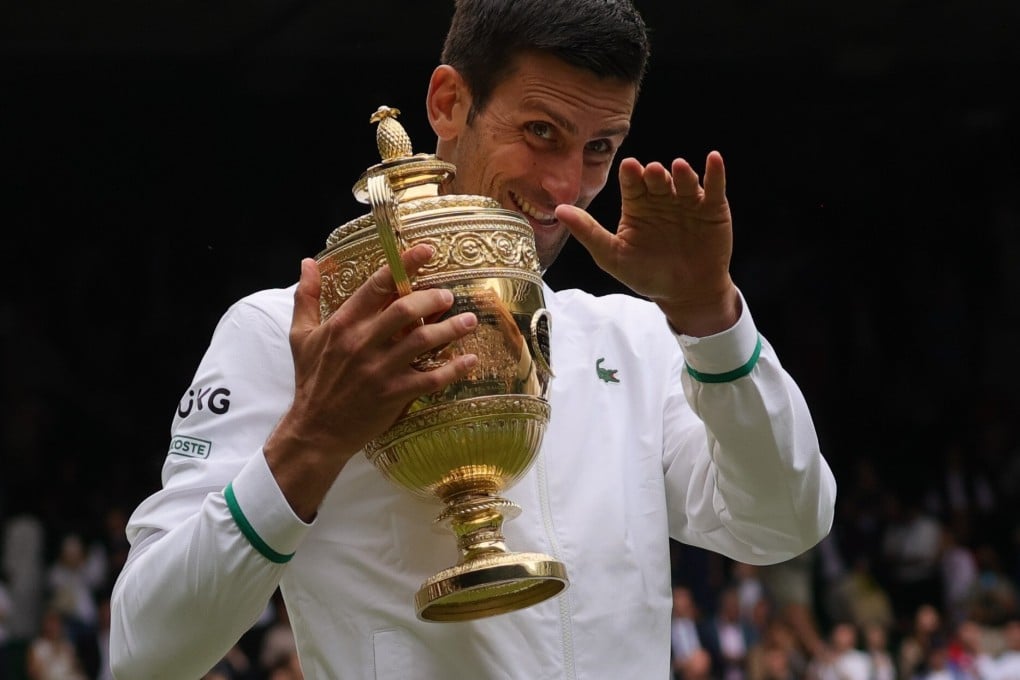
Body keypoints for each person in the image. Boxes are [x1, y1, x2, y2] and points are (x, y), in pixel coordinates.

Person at [109, 0, 837, 677]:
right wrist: (313, 437)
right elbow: (146, 652)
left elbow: (781, 525)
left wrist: (710, 316)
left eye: (599, 147)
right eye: (541, 132)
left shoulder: (633, 340)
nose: (564, 185)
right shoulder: (296, 337)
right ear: (449, 103)